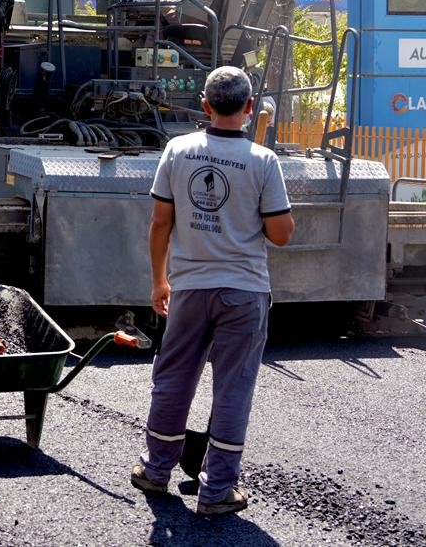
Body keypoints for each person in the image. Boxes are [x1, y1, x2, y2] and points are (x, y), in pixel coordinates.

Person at [132, 66, 295, 517]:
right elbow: (281, 235)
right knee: (232, 390)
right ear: (248, 108)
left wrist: (159, 281)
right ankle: (216, 490)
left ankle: (156, 470)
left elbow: (160, 223)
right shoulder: (263, 162)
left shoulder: (177, 150)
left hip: (188, 288)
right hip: (244, 292)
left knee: (172, 380)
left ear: (204, 105)